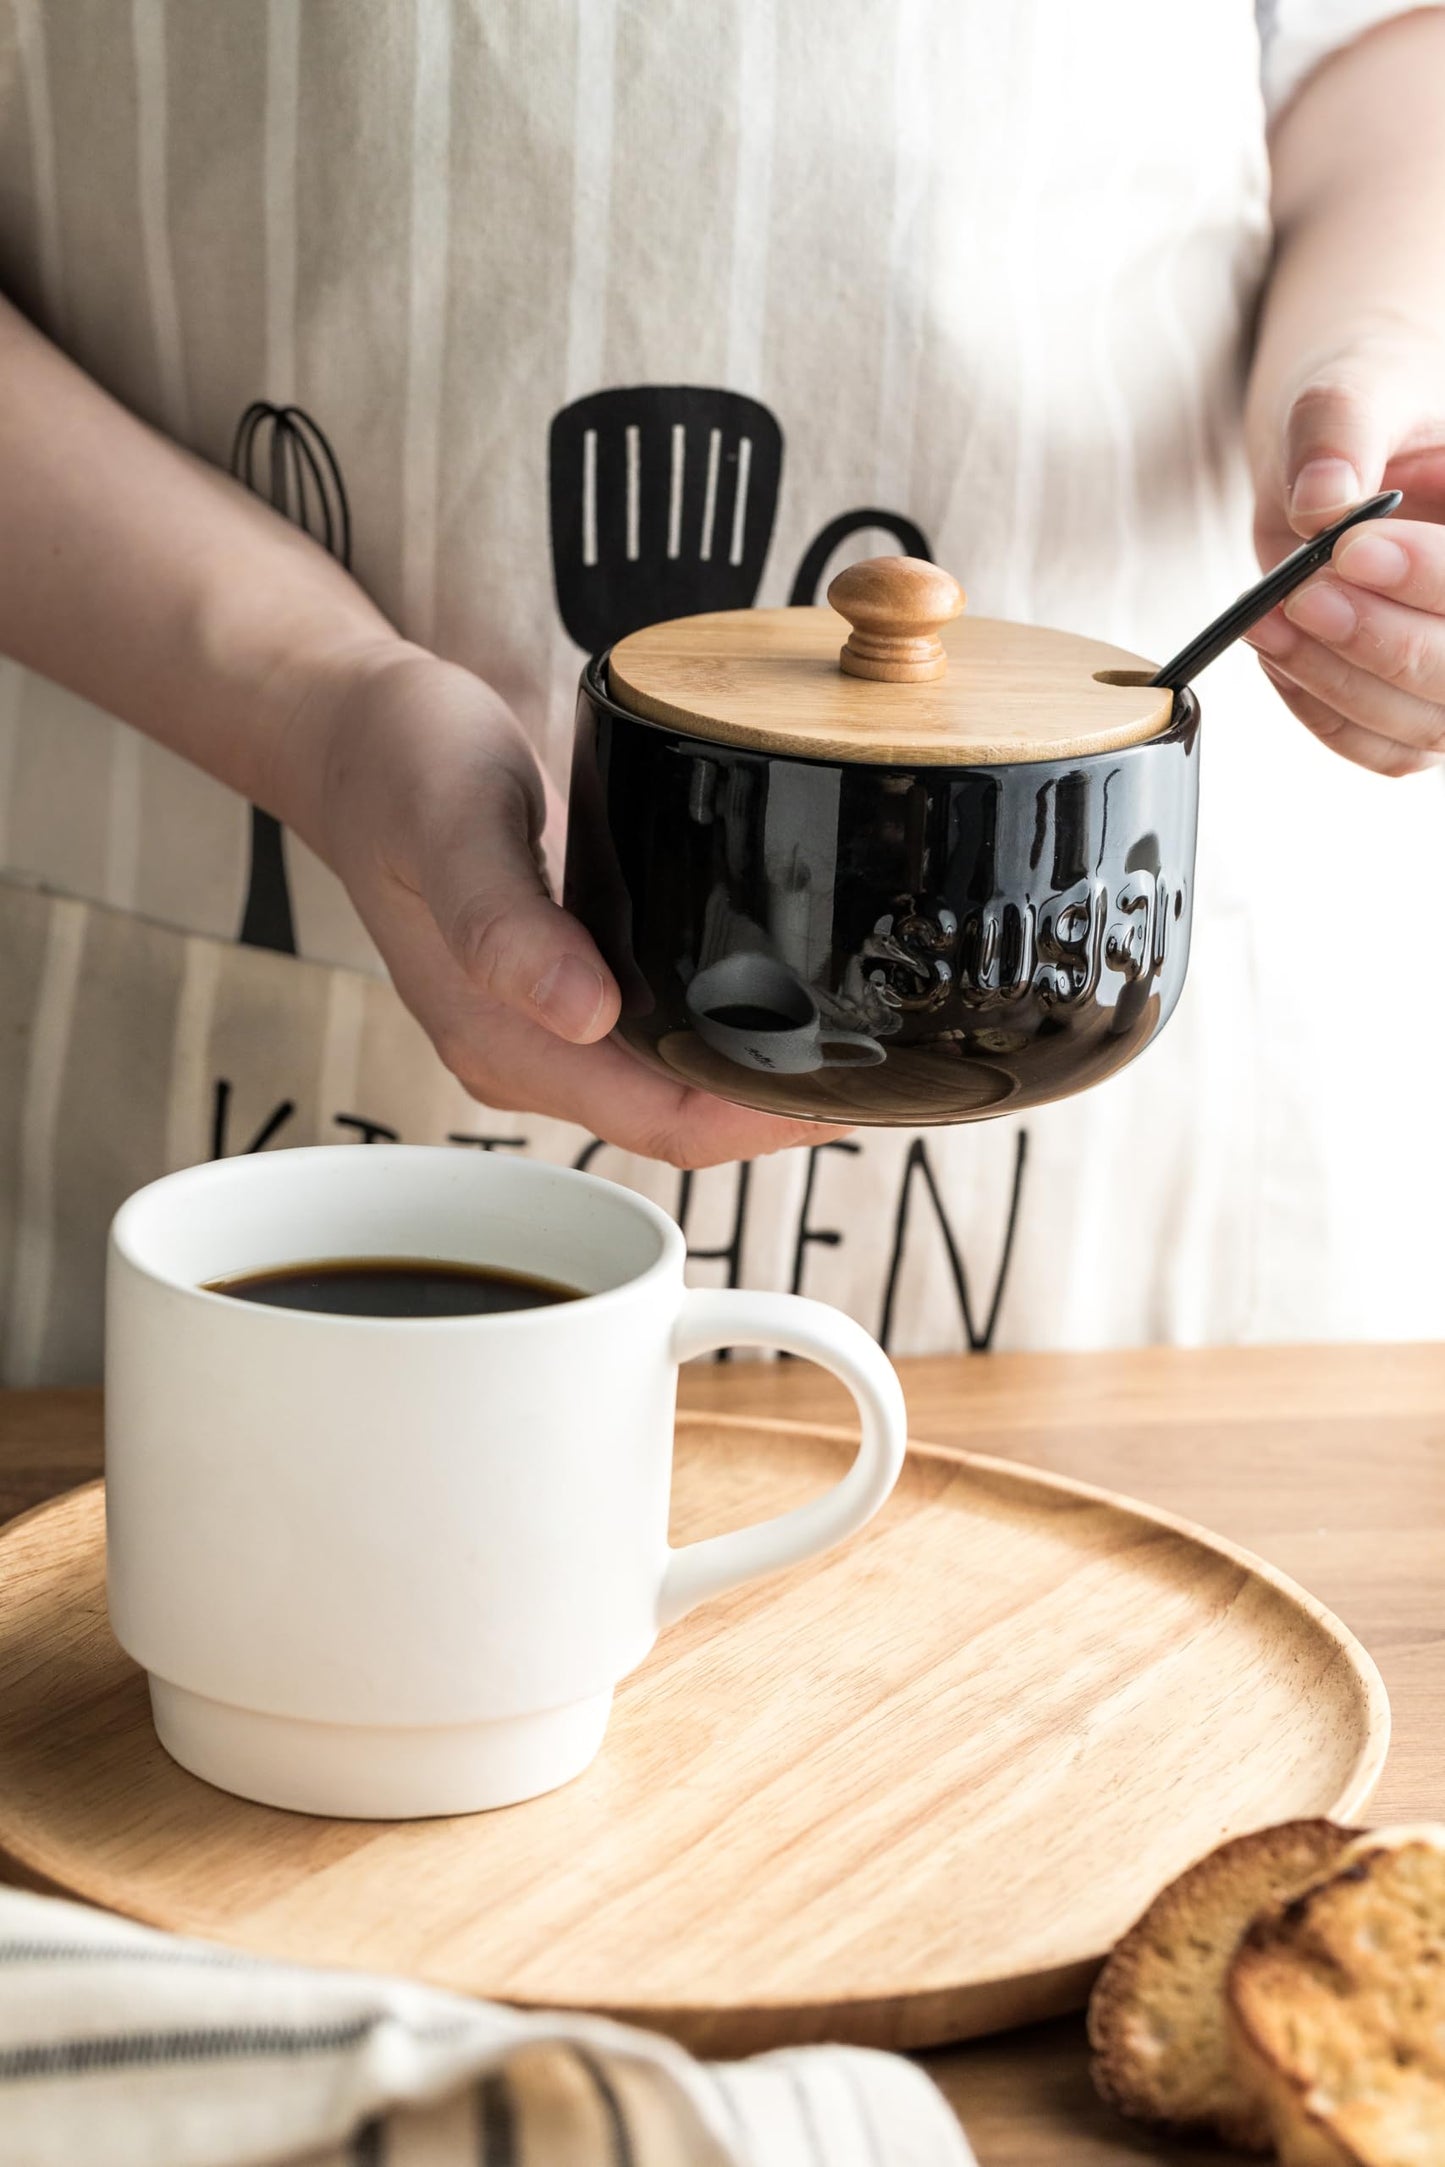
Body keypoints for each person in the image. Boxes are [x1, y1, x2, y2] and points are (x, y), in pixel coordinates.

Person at [1, 1, 1443, 1384]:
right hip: (213, 1022)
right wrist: (308, 705)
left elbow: (1379, 38)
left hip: (1111, 1191)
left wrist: (1370, 361)